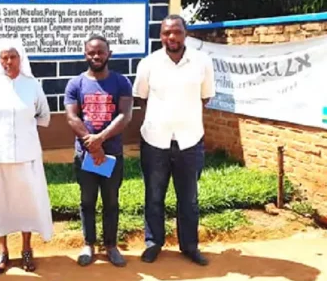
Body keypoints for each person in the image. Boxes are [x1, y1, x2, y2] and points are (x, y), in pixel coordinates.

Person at [132, 14, 215, 266]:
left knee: (188, 198)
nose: (172, 37)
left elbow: (206, 97)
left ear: (185, 33)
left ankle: (189, 246)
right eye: (167, 32)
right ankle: (153, 243)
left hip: (190, 141)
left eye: (177, 32)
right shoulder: (148, 64)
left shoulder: (202, 62)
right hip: (155, 141)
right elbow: (141, 97)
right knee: (154, 196)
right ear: (161, 36)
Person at [0, 38, 53, 274]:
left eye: (13, 56)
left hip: (26, 154)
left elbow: (43, 116)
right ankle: (2, 251)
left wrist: (22, 130)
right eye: (4, 57)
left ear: (21, 58)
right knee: (1, 203)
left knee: (26, 204)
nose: (8, 61)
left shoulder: (32, 85)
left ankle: (27, 249)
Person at [64, 35, 133, 267]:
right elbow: (72, 117)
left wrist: (101, 139)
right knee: (87, 201)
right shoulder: (76, 84)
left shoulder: (121, 82)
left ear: (109, 54)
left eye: (100, 52)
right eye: (91, 53)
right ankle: (89, 244)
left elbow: (125, 115)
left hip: (112, 153)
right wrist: (91, 144)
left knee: (111, 201)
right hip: (85, 155)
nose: (96, 56)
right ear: (85, 55)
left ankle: (111, 246)